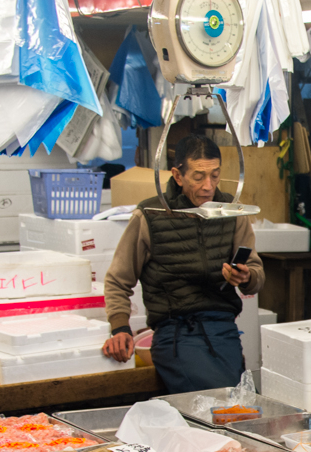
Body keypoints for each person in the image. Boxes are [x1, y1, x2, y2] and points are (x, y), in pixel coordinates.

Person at [102, 134, 264, 393]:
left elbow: (255, 271)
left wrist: (246, 277)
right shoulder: (150, 216)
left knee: (241, 400)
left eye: (215, 175)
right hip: (175, 331)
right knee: (215, 401)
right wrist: (120, 327)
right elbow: (117, 279)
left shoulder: (232, 212)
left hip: (222, 329)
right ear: (178, 176)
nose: (208, 186)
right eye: (198, 177)